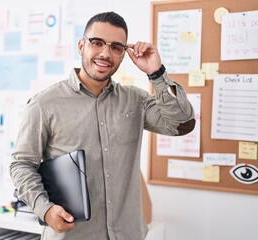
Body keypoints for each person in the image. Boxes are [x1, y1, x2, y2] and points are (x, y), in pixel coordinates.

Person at [10, 11, 195, 240]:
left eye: (116, 47)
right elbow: (21, 165)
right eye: (97, 43)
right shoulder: (44, 104)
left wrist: (156, 73)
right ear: (81, 45)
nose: (105, 53)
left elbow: (182, 124)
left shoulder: (135, 101)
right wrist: (45, 209)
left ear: (123, 54)